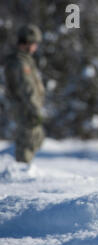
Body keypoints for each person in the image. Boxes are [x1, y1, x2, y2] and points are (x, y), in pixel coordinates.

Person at [4, 24, 45, 163]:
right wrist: (35, 110)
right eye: (35, 44)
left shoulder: (23, 60)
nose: (36, 47)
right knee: (27, 143)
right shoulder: (20, 63)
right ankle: (22, 172)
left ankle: (23, 169)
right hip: (26, 109)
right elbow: (28, 89)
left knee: (32, 140)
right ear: (27, 43)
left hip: (26, 108)